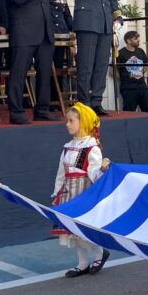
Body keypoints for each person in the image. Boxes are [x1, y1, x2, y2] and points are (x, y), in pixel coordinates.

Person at [60, 0, 122, 116]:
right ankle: (84, 102)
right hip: (87, 21)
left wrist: (117, 16)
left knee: (102, 64)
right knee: (86, 64)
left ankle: (96, 101)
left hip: (104, 22)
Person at [0, 0, 60, 124]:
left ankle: (42, 108)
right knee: (19, 72)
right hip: (24, 31)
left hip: (45, 31)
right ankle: (16, 111)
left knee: (44, 72)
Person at [51, 103, 111, 277]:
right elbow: (61, 173)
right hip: (69, 193)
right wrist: (56, 193)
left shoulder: (91, 147)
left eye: (71, 121)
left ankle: (99, 253)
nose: (67, 124)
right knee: (72, 230)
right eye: (67, 121)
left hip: (83, 193)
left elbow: (93, 173)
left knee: (83, 230)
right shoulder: (68, 147)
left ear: (83, 122)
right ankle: (83, 263)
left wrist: (102, 169)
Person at [117, 30, 148, 112]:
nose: (138, 40)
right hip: (128, 88)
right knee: (129, 112)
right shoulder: (121, 53)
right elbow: (112, 70)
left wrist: (141, 72)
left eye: (138, 38)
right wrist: (124, 77)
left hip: (142, 86)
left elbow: (146, 64)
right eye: (135, 38)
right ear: (128, 41)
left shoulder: (140, 51)